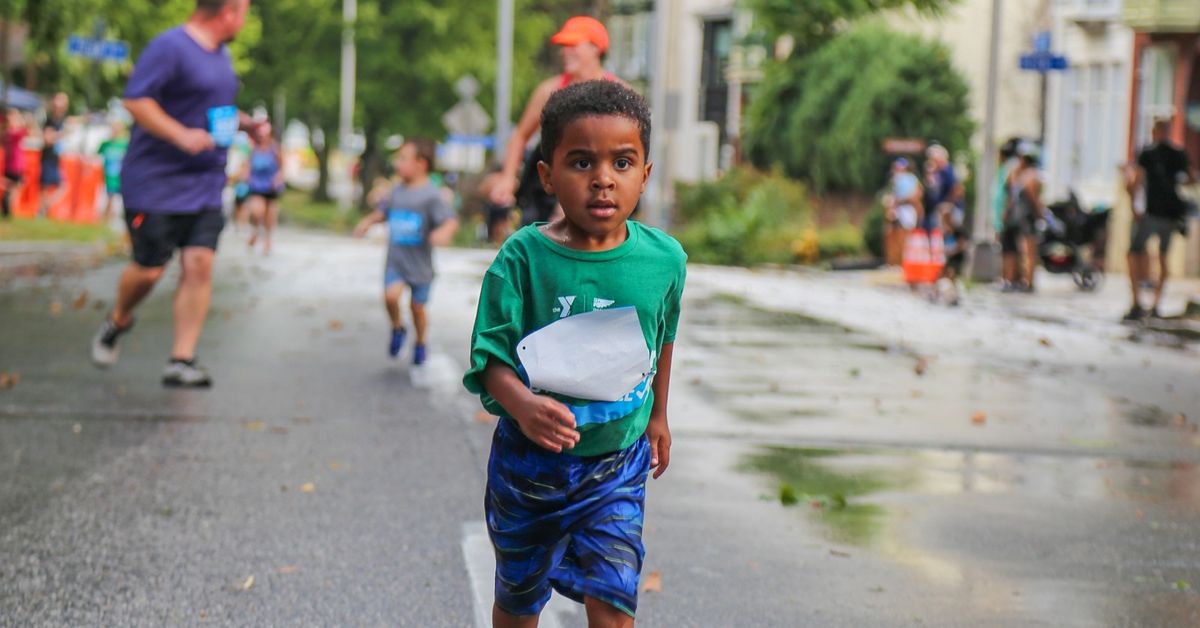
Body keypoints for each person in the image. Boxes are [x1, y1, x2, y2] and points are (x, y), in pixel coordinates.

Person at [463, 80, 686, 628]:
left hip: (618, 463)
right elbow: (487, 358)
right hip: (530, 471)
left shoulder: (664, 260)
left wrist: (657, 415)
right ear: (547, 174)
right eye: (582, 162)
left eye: (623, 162)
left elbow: (663, 337)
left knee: (614, 604)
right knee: (519, 601)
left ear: (645, 174)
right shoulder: (522, 258)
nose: (603, 179)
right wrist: (523, 406)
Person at [89, 0, 255, 387]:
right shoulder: (170, 46)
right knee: (149, 269)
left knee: (200, 263)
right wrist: (179, 134)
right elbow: (136, 99)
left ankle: (182, 359)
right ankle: (118, 319)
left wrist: (245, 125)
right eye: (243, 12)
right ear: (227, 11)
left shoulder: (222, 57)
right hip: (156, 181)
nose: (243, 22)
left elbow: (214, 110)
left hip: (206, 182)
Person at [488, 16, 620, 225]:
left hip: (601, 185)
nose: (565, 51)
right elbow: (520, 136)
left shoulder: (618, 91)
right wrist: (507, 178)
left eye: (573, 45)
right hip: (548, 190)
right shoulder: (549, 90)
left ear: (596, 48)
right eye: (564, 46)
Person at [353, 138, 459, 364]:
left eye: (403, 159)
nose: (397, 163)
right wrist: (367, 222)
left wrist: (444, 233)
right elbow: (384, 213)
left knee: (417, 308)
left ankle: (420, 341)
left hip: (420, 266)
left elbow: (450, 220)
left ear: (421, 164)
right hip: (396, 261)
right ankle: (397, 328)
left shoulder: (431, 195)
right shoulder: (396, 191)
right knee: (390, 297)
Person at [1123, 118, 1196, 321]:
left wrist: (1133, 206)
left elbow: (1134, 182)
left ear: (1154, 132)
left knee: (1135, 254)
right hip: (1171, 214)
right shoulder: (1178, 153)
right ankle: (1155, 304)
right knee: (1162, 257)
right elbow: (1191, 179)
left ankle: (1138, 302)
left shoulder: (1147, 153)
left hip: (1153, 212)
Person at [1001, 144, 1044, 293]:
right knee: (1026, 250)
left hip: (1022, 217)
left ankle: (1025, 280)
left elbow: (1031, 198)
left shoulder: (1028, 175)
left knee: (1025, 251)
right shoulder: (1026, 175)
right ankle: (1025, 280)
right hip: (1025, 217)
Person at [244, 120, 284, 255]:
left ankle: (267, 240)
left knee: (270, 215)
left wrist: (278, 178)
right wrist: (246, 176)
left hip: (271, 185)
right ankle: (255, 231)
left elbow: (282, 167)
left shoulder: (275, 149)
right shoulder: (253, 149)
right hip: (256, 185)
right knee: (257, 212)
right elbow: (247, 165)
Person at [883, 157, 922, 266]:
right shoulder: (894, 179)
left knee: (906, 234)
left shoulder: (911, 178)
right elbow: (892, 195)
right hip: (898, 209)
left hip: (907, 209)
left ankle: (904, 260)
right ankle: (894, 261)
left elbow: (916, 195)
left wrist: (904, 200)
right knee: (893, 233)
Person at [39, 92, 69, 217]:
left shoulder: (61, 121)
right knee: (46, 187)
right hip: (48, 158)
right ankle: (41, 211)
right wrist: (62, 134)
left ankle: (43, 210)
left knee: (62, 186)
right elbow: (47, 139)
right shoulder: (50, 121)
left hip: (55, 159)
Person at [922, 143, 963, 233]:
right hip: (933, 211)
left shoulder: (949, 171)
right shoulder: (935, 173)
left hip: (948, 211)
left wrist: (947, 203)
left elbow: (957, 190)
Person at [96, 118, 130, 221]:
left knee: (122, 197)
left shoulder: (125, 144)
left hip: (121, 175)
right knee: (109, 196)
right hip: (108, 175)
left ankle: (118, 216)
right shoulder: (106, 144)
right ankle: (107, 216)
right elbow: (97, 155)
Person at [2, 108, 28, 219]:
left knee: (12, 185)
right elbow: (26, 129)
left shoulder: (5, 134)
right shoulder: (14, 133)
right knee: (17, 185)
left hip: (9, 164)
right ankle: (8, 205)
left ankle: (7, 203)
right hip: (17, 165)